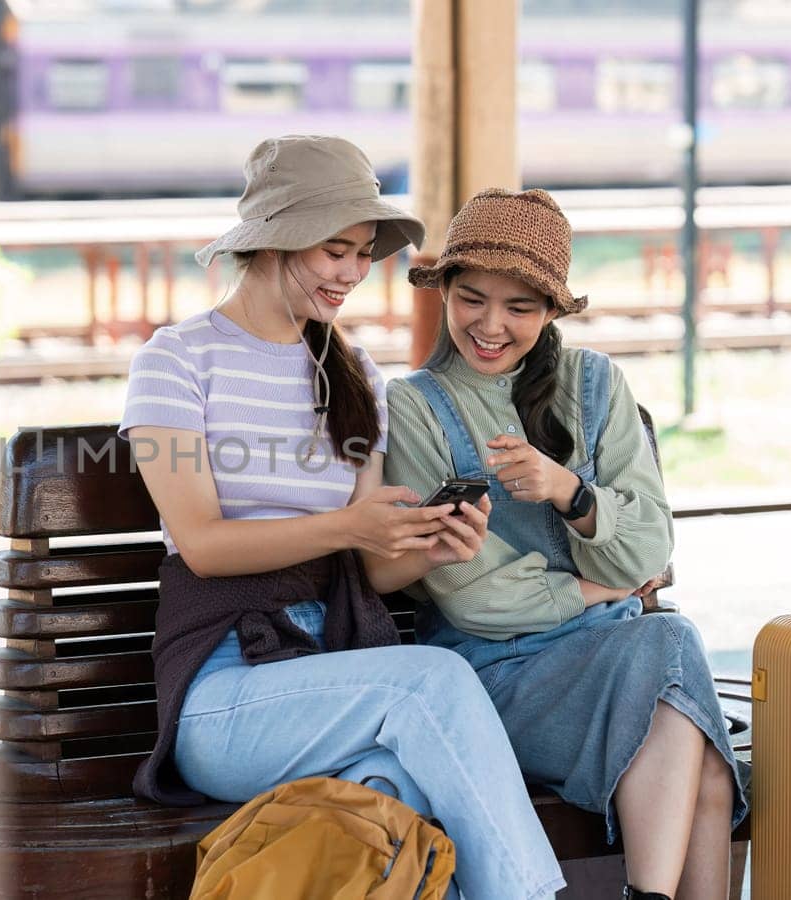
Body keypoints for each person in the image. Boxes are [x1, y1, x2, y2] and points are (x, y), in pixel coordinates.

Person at [120, 135, 564, 899]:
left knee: (398, 795)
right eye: (335, 250)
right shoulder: (178, 360)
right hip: (225, 698)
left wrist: (431, 545)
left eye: (363, 253)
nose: (355, 273)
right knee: (435, 683)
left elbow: (374, 563)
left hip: (330, 676)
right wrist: (348, 530)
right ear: (274, 240)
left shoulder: (352, 371)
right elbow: (201, 546)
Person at [384, 187, 748, 900]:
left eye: (520, 306)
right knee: (674, 663)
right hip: (495, 682)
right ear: (446, 293)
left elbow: (645, 550)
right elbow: (476, 598)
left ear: (551, 312)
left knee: (687, 717)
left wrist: (569, 492)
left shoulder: (596, 384)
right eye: (472, 299)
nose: (491, 325)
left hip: (618, 664)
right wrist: (602, 588)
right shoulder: (416, 407)